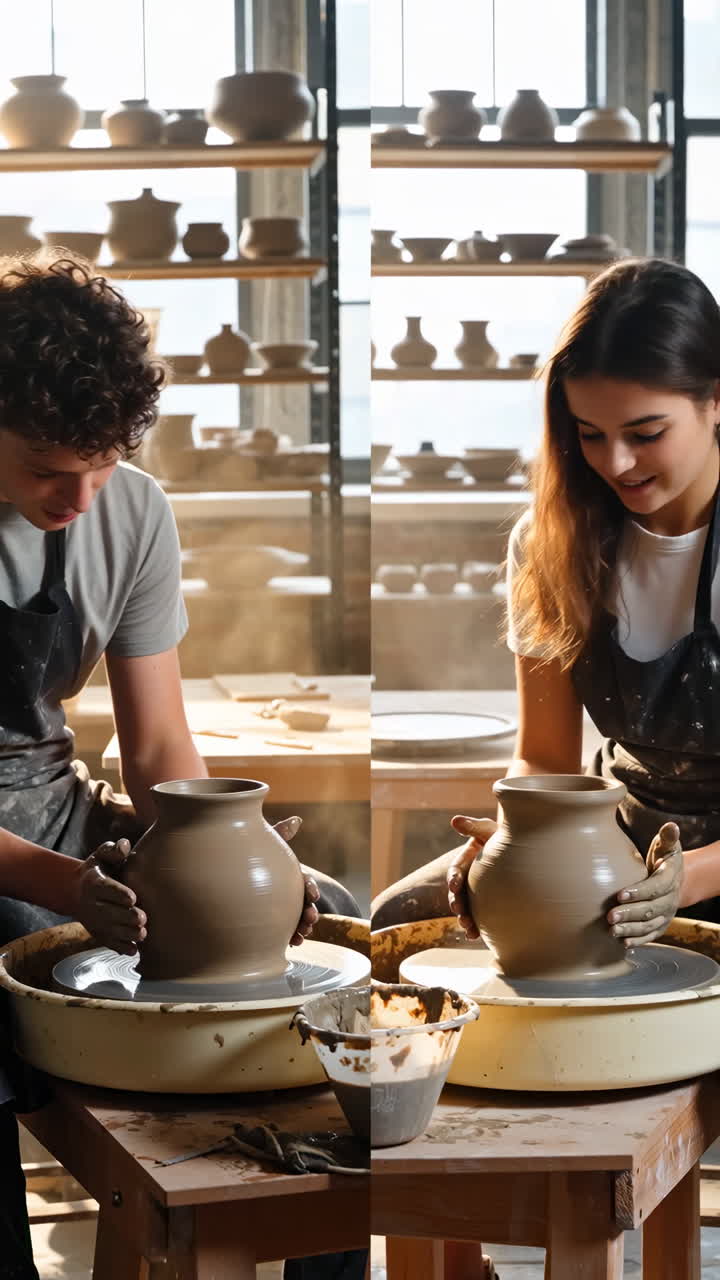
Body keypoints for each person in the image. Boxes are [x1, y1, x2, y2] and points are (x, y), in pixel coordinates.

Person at [0, 253, 358, 1280]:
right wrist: (69, 887)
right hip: (20, 854)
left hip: (58, 804)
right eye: (46, 469)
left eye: (105, 462)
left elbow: (156, 746)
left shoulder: (133, 509)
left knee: (325, 918)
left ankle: (315, 1248)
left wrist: (226, 840)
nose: (82, 494)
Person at [373, 255, 720, 947]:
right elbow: (546, 756)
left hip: (709, 869)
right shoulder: (553, 540)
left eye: (646, 434)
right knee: (397, 927)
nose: (615, 463)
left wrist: (687, 879)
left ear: (715, 401)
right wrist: (511, 835)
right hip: (617, 836)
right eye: (590, 434)